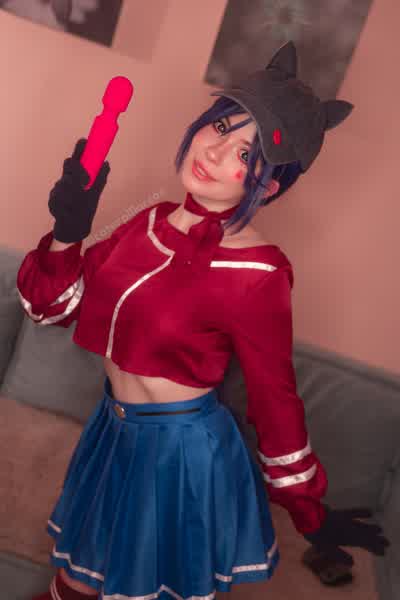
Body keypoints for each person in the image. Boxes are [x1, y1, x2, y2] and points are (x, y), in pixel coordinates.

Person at [17, 41, 389, 600]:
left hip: (180, 455)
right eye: (220, 127)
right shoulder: (147, 221)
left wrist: (310, 513)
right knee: (76, 581)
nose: (214, 152)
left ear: (269, 184)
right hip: (112, 431)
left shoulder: (259, 272)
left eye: (246, 153)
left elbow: (275, 398)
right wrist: (68, 231)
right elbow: (51, 307)